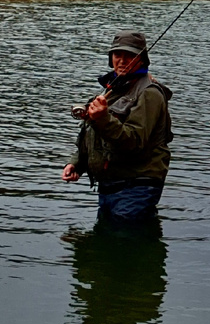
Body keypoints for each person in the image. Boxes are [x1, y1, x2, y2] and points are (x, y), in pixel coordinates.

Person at [62, 30, 173, 220]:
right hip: (110, 187)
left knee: (124, 242)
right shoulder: (113, 90)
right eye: (117, 54)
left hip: (136, 188)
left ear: (142, 59)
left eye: (130, 55)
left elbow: (134, 142)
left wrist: (103, 118)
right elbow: (93, 135)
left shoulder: (149, 94)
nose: (122, 60)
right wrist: (77, 164)